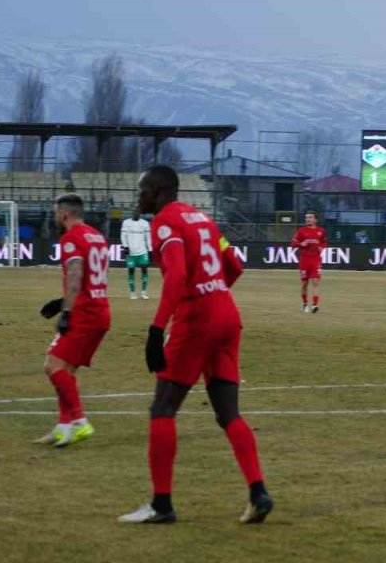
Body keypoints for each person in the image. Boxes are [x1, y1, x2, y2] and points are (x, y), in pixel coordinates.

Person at [119, 165, 272, 525]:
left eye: (142, 191)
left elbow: (177, 278)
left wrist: (157, 330)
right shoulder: (202, 218)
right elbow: (234, 265)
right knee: (228, 413)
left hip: (196, 320)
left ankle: (161, 504)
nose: (138, 197)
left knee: (162, 409)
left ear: (158, 192)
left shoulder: (166, 222)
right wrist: (214, 295)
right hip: (227, 315)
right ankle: (258, 492)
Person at [33, 194, 112, 448]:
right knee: (67, 370)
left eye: (56, 213)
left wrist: (66, 313)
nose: (55, 217)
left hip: (84, 313)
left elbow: (77, 273)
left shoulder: (71, 238)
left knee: (52, 365)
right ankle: (63, 428)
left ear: (64, 214)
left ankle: (79, 421)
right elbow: (89, 276)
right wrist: (61, 301)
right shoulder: (96, 236)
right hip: (100, 309)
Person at [290, 210, 327, 313]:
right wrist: (302, 244)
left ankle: (315, 305)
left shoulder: (321, 231)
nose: (308, 219)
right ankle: (305, 304)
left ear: (315, 219)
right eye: (306, 217)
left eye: (310, 217)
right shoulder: (301, 231)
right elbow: (293, 243)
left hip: (316, 260)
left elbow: (324, 241)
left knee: (315, 282)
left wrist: (321, 247)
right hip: (304, 261)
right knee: (304, 284)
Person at [121, 208, 153, 300]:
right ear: (132, 213)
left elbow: (148, 237)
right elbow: (123, 235)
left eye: (137, 212)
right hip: (131, 253)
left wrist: (150, 250)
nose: (136, 214)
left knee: (144, 270)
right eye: (134, 212)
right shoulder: (126, 223)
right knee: (131, 271)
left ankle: (143, 292)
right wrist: (125, 246)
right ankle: (132, 292)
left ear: (140, 214)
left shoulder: (145, 224)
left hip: (142, 252)